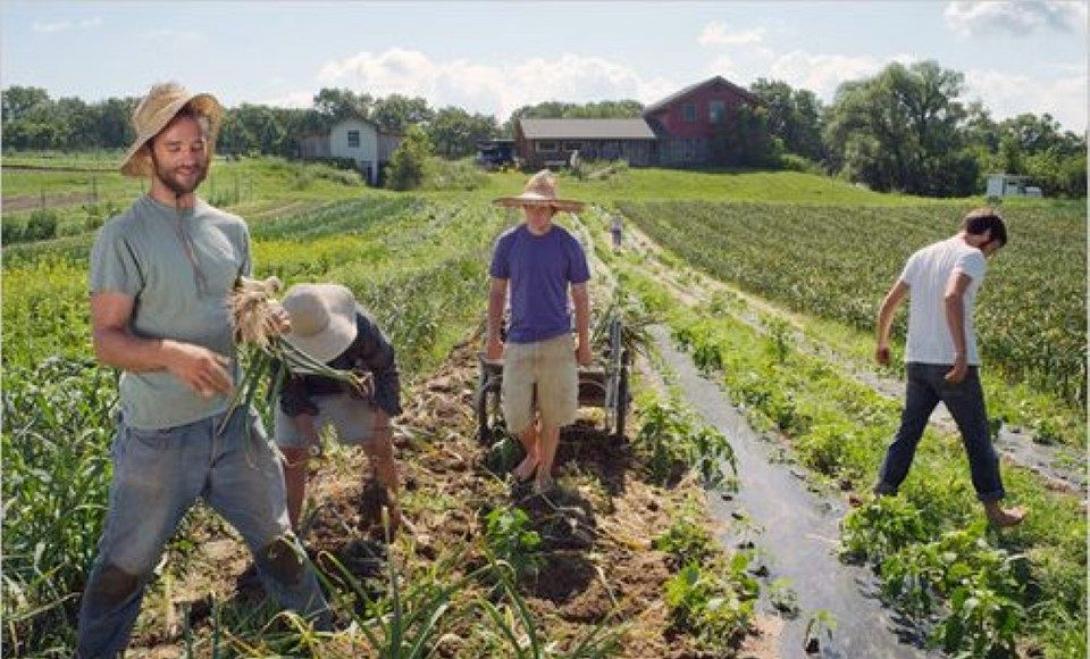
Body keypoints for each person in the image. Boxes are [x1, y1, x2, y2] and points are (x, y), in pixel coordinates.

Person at [79, 83, 328, 657]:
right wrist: (172, 354)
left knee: (279, 543)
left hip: (234, 425)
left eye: (197, 144)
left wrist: (266, 320)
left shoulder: (232, 230)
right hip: (158, 436)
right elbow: (108, 342)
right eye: (175, 146)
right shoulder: (123, 237)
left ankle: (327, 640)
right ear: (148, 155)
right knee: (125, 565)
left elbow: (242, 315)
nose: (190, 156)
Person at [873, 207, 1025, 527]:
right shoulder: (972, 256)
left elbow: (890, 302)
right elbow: (952, 296)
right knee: (977, 437)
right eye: (993, 248)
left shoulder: (923, 254)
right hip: (952, 364)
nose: (991, 256)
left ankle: (881, 495)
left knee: (908, 432)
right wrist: (960, 354)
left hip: (916, 360)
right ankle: (995, 511)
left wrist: (882, 343)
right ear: (986, 236)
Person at [487, 170, 592, 495]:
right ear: (523, 208)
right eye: (531, 206)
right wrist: (493, 337)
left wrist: (583, 342)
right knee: (516, 416)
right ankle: (533, 453)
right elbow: (496, 292)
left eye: (544, 207)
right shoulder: (508, 243)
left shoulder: (568, 245)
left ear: (554, 210)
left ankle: (544, 473)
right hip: (518, 340)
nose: (537, 213)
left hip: (558, 340)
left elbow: (580, 295)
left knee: (553, 414)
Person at [274, 283, 403, 534]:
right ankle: (287, 535)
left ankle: (388, 519)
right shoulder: (276, 335)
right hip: (304, 392)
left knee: (379, 449)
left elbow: (386, 370)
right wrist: (306, 429)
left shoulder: (361, 325)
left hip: (352, 385)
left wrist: (381, 425)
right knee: (290, 456)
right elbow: (287, 386)